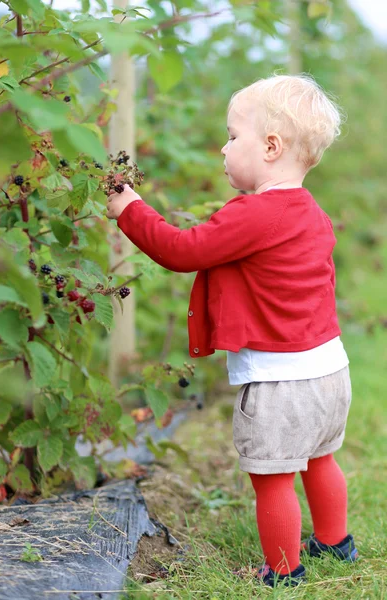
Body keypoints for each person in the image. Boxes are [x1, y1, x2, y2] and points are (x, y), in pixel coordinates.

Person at [106, 74, 359, 588]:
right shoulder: (311, 214)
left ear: (271, 147)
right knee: (321, 459)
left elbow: (183, 250)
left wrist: (129, 209)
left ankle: (282, 573)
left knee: (273, 481)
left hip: (280, 381)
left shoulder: (256, 214)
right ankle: (336, 542)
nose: (223, 148)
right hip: (330, 371)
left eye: (231, 136)